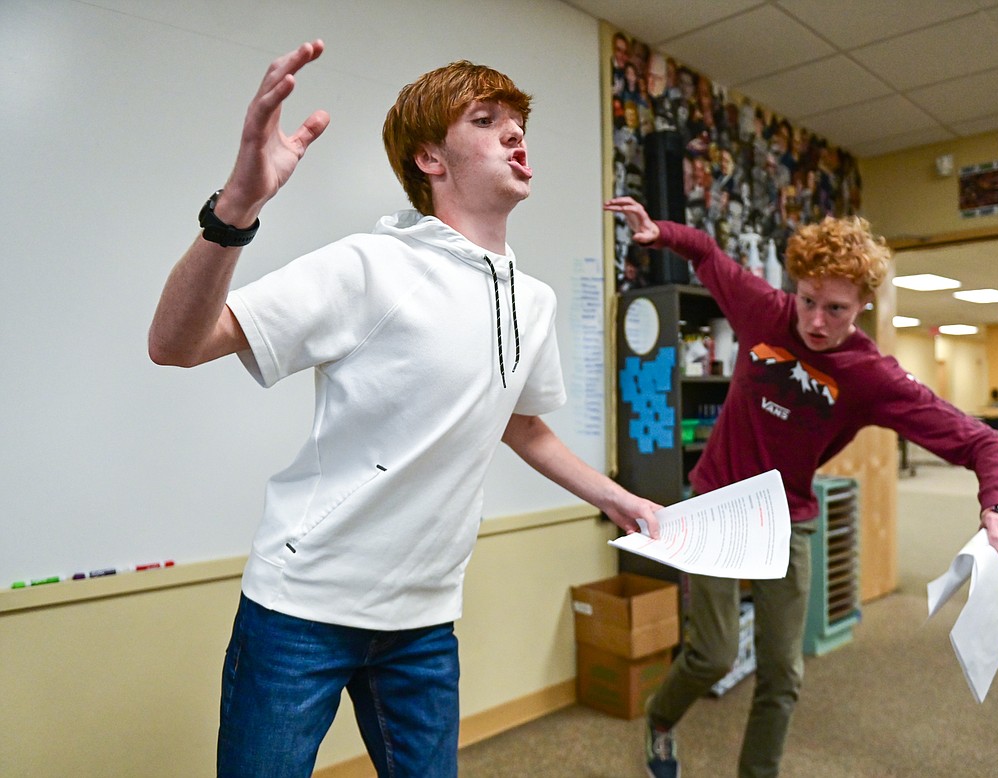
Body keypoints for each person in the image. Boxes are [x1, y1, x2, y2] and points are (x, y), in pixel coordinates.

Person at [148, 41, 661, 778]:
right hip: (304, 606)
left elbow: (521, 424)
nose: (515, 134)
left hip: (423, 618)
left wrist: (622, 500)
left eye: (518, 122)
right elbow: (176, 344)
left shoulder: (533, 300)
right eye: (486, 121)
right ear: (431, 159)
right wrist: (239, 207)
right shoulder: (368, 266)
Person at [603, 196, 998, 778]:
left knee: (783, 673)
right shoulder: (766, 313)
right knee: (713, 654)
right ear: (794, 289)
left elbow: (981, 441)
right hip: (714, 503)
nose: (815, 321)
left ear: (862, 307)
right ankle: (659, 719)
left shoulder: (870, 375)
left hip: (787, 517)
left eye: (835, 308)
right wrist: (661, 232)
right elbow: (706, 252)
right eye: (807, 301)